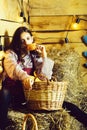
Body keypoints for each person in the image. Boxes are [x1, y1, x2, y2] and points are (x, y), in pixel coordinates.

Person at [2, 26, 54, 110]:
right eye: (22, 41)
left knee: (68, 105)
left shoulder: (34, 56)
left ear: (32, 39)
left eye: (28, 38)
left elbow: (45, 77)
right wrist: (26, 78)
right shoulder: (10, 54)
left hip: (28, 94)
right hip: (12, 92)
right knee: (4, 93)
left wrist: (44, 56)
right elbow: (15, 69)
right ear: (17, 43)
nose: (26, 43)